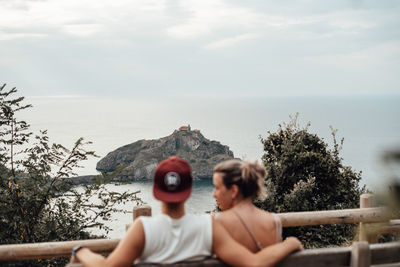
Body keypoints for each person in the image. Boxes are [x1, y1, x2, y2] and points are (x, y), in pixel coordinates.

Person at [70, 156, 303, 266]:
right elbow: (253, 263)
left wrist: (82, 251)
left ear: (156, 190)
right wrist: (290, 243)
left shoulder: (142, 229)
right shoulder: (207, 226)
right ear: (189, 190)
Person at [213, 159, 281, 252]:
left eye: (217, 188)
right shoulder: (274, 222)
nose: (214, 194)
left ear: (234, 191)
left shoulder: (217, 222)